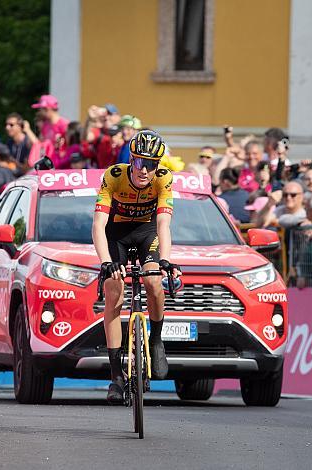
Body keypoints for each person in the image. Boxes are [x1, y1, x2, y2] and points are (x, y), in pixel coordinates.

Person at [92, 130, 181, 404]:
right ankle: (116, 375)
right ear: (131, 160)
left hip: (147, 232)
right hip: (116, 234)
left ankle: (155, 341)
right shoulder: (114, 176)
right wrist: (106, 262)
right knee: (114, 293)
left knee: (153, 281)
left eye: (152, 164)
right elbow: (98, 225)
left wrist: (164, 259)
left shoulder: (164, 179)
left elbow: (164, 225)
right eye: (140, 163)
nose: (145, 170)